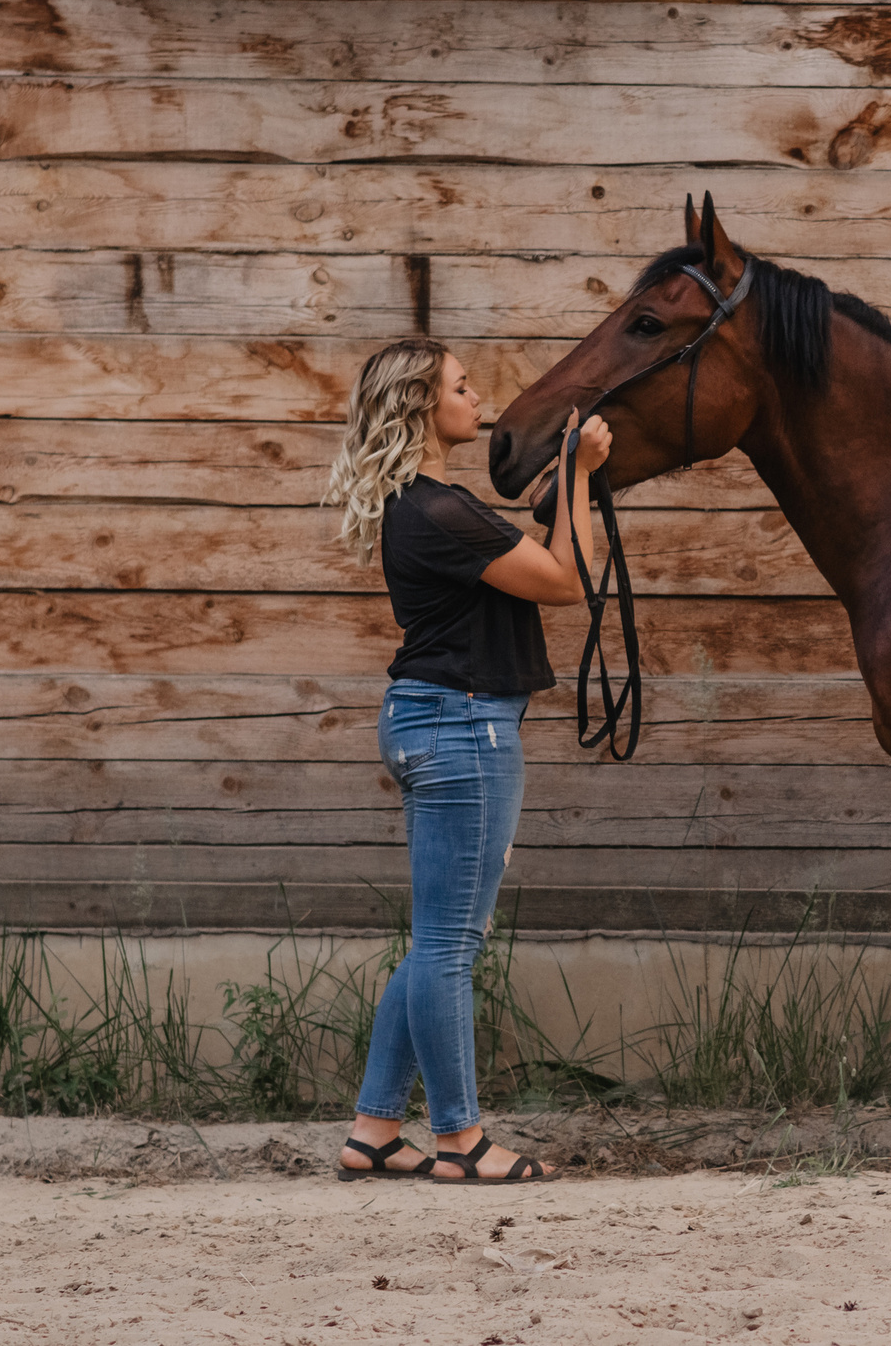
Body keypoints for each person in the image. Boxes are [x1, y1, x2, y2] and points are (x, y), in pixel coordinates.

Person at [320, 338, 611, 1184]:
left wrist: (567, 481)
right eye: (459, 384)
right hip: (465, 726)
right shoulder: (440, 511)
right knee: (451, 945)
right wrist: (584, 470)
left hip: (436, 719)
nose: (476, 393)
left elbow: (544, 564)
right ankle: (461, 1140)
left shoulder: (427, 505)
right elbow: (567, 580)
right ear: (421, 408)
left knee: (433, 943)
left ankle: (375, 1127)